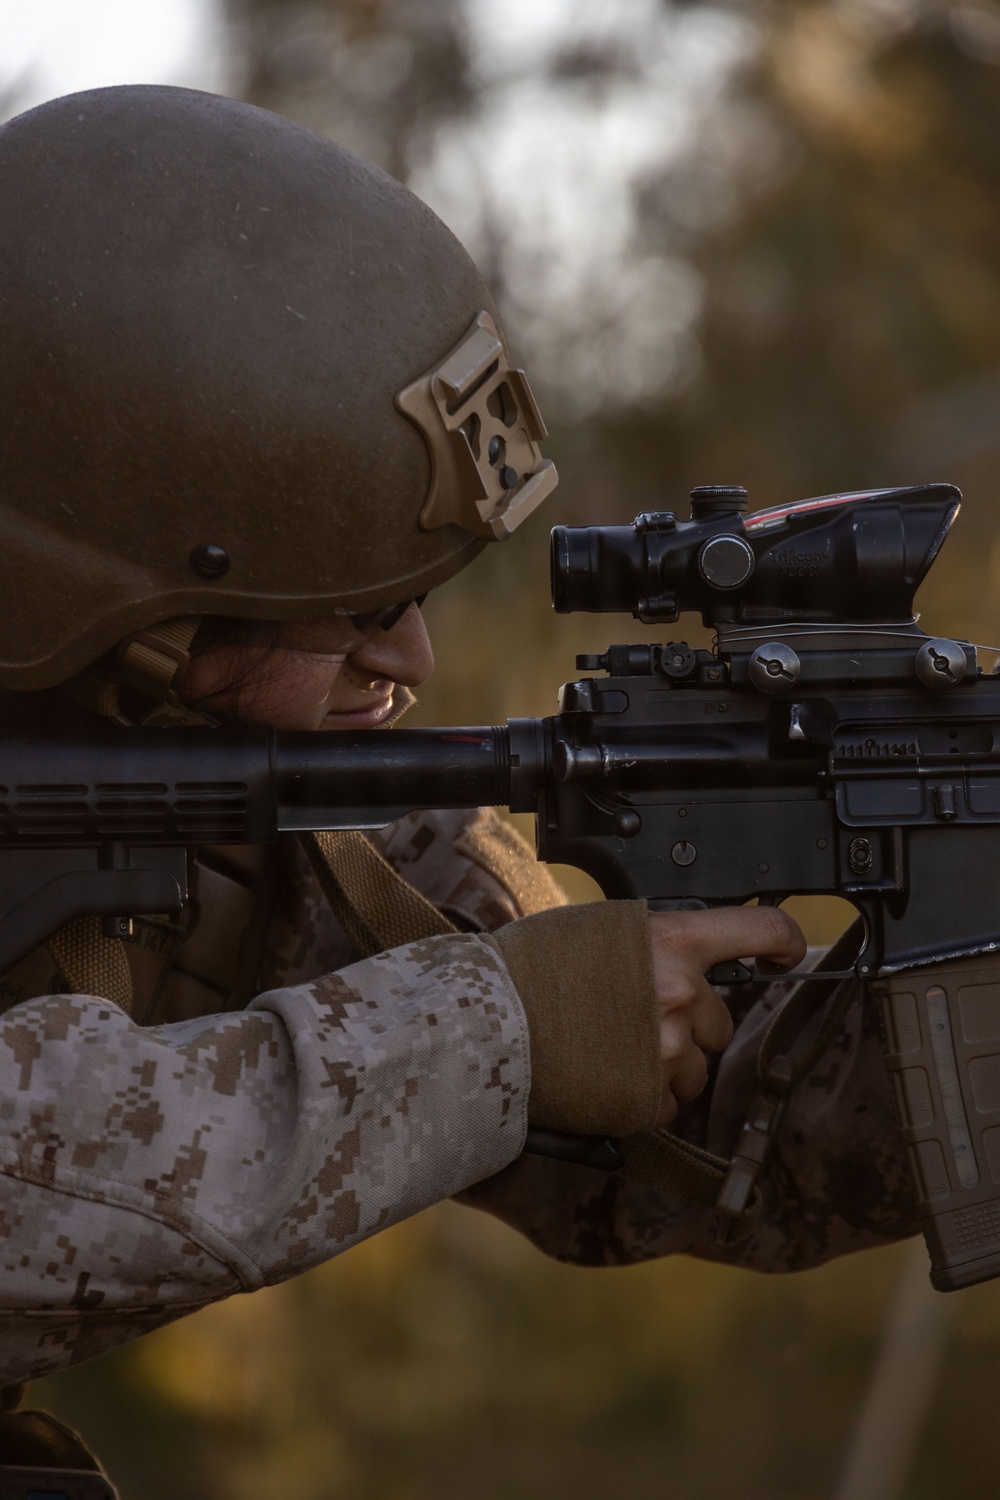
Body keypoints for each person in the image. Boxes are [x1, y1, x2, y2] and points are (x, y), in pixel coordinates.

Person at [0, 80, 811, 1474]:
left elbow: (708, 1144)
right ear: (149, 618)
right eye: (357, 611)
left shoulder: (231, 780)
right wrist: (491, 1036)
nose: (416, 660)